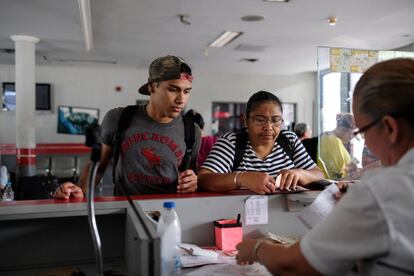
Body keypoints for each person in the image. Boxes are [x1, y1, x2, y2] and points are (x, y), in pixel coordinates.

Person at [236, 58, 414, 275]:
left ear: (389, 128)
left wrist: (255, 248)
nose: (365, 143)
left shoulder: (382, 189)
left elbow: (292, 266)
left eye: (362, 132)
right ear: (246, 120)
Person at [54, 55, 201, 199]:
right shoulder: (119, 118)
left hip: (170, 213)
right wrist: (79, 191)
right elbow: (98, 168)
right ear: (152, 87)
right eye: (173, 89)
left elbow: (190, 177)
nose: (181, 100)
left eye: (186, 91)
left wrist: (193, 183)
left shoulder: (192, 130)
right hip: (125, 211)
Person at [198, 91, 323, 194]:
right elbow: (203, 179)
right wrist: (242, 178)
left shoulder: (289, 140)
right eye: (260, 120)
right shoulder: (231, 143)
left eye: (275, 120)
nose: (268, 127)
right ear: (246, 120)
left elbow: (318, 174)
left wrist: (299, 174)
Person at [317, 113, 356, 180]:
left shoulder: (327, 137)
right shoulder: (334, 141)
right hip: (332, 184)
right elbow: (337, 174)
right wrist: (351, 171)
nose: (352, 137)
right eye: (352, 134)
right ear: (345, 130)